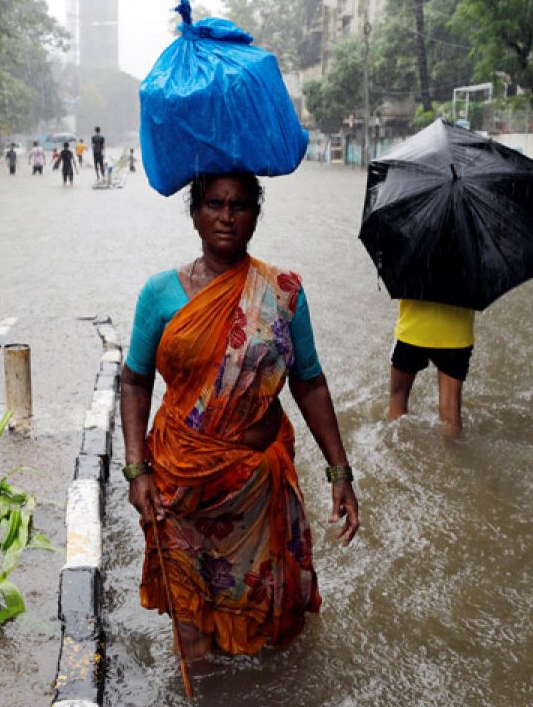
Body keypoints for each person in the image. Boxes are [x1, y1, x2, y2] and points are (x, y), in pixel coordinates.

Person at [121, 172, 360, 662]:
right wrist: (135, 469)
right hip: (180, 489)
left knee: (264, 628)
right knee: (193, 632)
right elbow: (134, 380)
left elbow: (309, 381)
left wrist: (340, 471)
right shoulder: (160, 294)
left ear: (255, 214)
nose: (226, 216)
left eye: (239, 205)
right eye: (214, 203)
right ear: (194, 214)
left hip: (256, 493)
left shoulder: (283, 293)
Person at [387, 299, 475, 436]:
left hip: (413, 329)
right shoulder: (472, 275)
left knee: (399, 395)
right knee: (450, 411)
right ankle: (452, 455)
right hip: (456, 333)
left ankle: (397, 446)